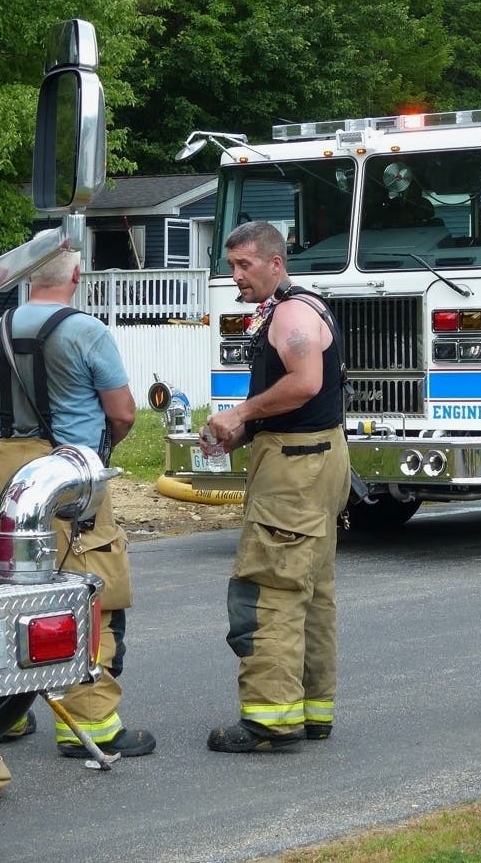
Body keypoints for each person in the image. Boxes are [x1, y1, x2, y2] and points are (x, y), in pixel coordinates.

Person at [0, 250, 155, 759]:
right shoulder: (87, 331)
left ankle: (2, 715)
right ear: (77, 276)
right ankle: (92, 723)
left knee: (4, 597)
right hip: (64, 480)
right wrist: (98, 457)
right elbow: (122, 412)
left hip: (7, 472)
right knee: (90, 593)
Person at [200, 221, 351, 753]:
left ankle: (270, 719)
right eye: (231, 264)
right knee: (312, 589)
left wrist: (240, 412)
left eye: (244, 265)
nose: (235, 275)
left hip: (294, 469)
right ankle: (314, 710)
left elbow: (305, 382)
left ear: (275, 263)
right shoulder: (300, 307)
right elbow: (306, 397)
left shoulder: (291, 313)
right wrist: (240, 435)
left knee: (269, 587)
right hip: (314, 460)